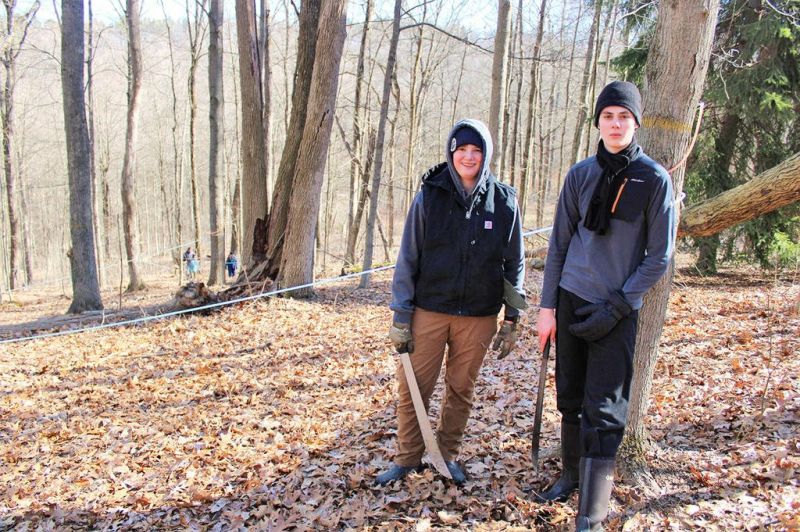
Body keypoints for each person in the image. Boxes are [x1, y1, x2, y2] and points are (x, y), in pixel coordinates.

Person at [535, 81, 675, 531]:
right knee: (571, 396)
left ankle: (591, 513)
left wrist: (621, 303)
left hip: (617, 310)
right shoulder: (579, 175)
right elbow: (558, 246)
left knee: (606, 407)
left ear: (636, 123)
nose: (616, 124)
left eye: (624, 117)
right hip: (572, 299)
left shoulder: (654, 179)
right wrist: (547, 307)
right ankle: (571, 475)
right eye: (608, 116)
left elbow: (660, 256)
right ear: (597, 122)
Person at [377, 119, 526, 486]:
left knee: (461, 389)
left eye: (476, 151)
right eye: (462, 150)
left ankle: (446, 455)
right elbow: (408, 256)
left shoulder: (504, 200)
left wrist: (513, 317)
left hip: (478, 315)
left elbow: (515, 262)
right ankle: (407, 457)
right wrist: (401, 314)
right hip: (428, 310)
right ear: (452, 152)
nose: (469, 157)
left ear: (486, 154)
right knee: (414, 388)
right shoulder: (431, 193)